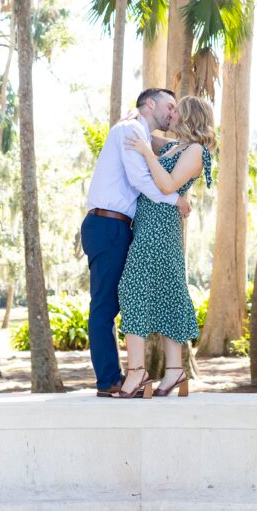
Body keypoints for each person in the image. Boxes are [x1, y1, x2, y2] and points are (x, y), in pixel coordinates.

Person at [81, 88, 192, 397]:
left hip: (117, 226)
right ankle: (109, 381)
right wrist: (176, 200)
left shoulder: (137, 131)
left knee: (119, 302)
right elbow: (140, 179)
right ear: (150, 104)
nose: (173, 113)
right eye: (170, 106)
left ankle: (130, 375)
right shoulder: (130, 129)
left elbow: (166, 148)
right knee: (104, 306)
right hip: (107, 224)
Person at [115, 95, 216, 399]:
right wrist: (137, 116)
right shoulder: (175, 146)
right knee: (166, 291)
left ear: (187, 117)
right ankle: (174, 372)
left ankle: (136, 373)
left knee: (132, 288)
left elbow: (168, 185)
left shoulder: (197, 151)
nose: (170, 114)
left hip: (160, 227)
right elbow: (148, 132)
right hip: (148, 222)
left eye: (176, 111)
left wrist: (146, 152)